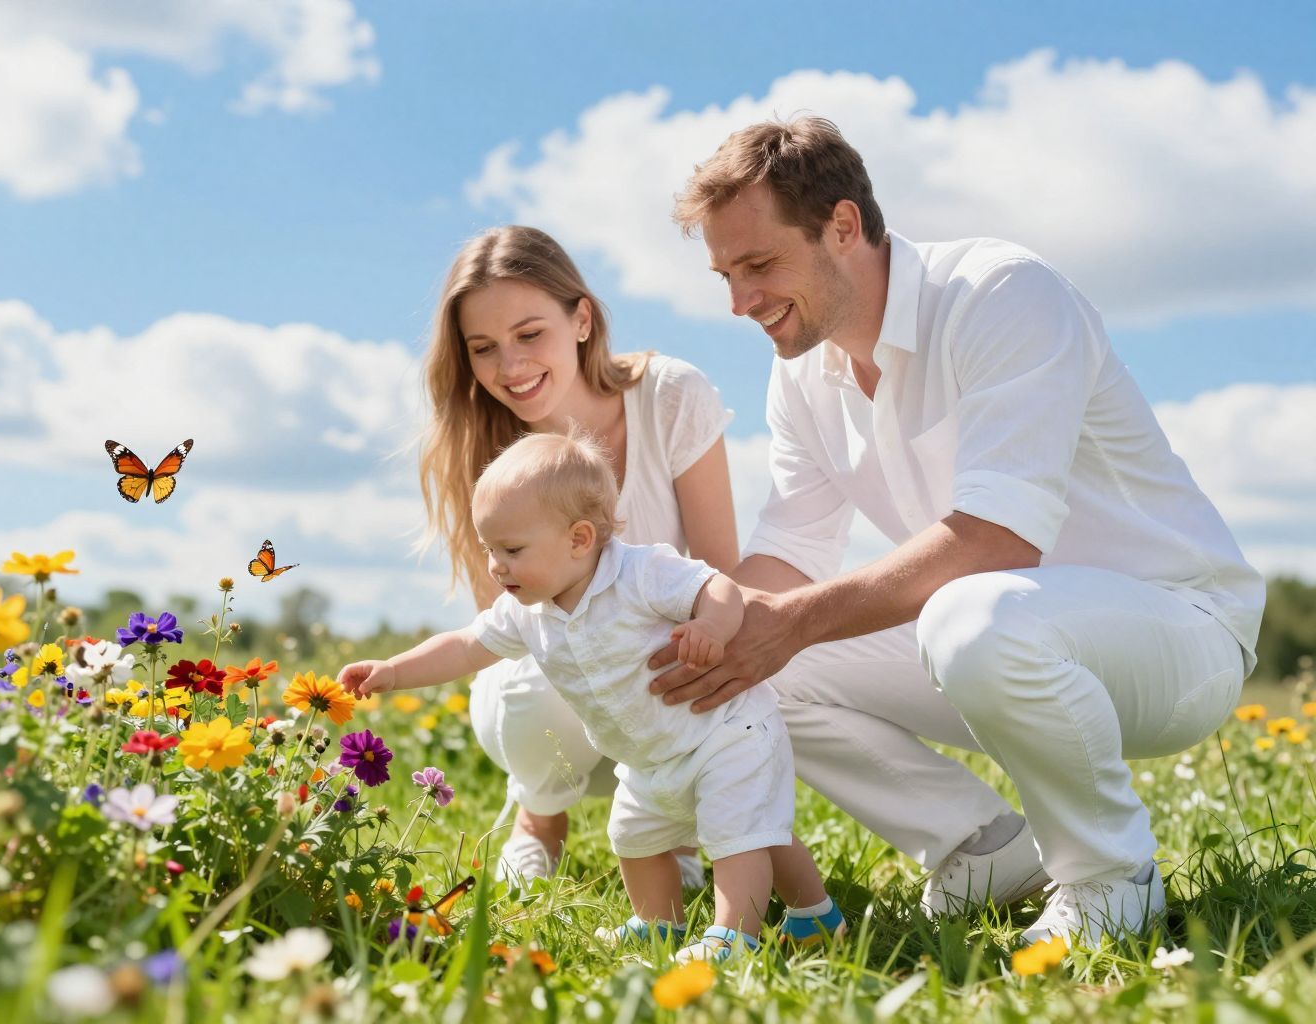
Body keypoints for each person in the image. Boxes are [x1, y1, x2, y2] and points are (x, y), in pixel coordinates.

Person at [649, 117, 1263, 948]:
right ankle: (983, 849)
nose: (739, 301)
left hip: (1177, 632)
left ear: (843, 225)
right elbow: (790, 554)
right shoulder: (802, 372)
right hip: (1007, 635)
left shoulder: (1001, 292)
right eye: (726, 274)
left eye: (758, 265)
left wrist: (785, 624)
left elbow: (997, 540)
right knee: (751, 668)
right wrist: (701, 631)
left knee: (966, 616)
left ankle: (1111, 879)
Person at [344, 432, 844, 961]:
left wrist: (714, 627)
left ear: (580, 539)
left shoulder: (640, 572)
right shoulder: (527, 612)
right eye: (490, 549)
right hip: (648, 758)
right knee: (636, 838)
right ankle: (668, 925)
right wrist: (394, 670)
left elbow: (716, 587)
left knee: (739, 836)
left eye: (511, 550)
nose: (496, 565)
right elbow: (467, 646)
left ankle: (733, 935)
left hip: (723, 735)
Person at [418, 225, 738, 885]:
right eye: (484, 348)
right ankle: (539, 818)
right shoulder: (485, 441)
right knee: (531, 679)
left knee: (708, 650)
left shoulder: (670, 396)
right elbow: (504, 620)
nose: (510, 368)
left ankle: (670, 830)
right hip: (549, 687)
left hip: (662, 672)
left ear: (582, 319)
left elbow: (719, 574)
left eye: (530, 335)